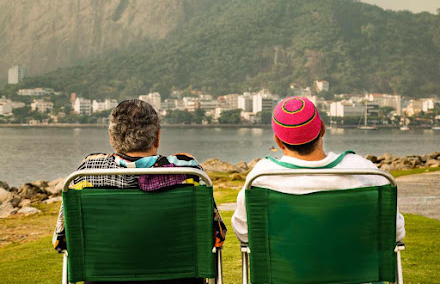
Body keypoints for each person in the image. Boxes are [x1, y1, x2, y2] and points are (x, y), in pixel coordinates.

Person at [53, 99, 226, 284]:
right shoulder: (188, 171)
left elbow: (62, 241)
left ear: (111, 138)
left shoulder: (87, 174)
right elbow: (217, 236)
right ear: (157, 137)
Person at [231, 96, 405, 243]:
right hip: (360, 276)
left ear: (278, 141)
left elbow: (244, 233)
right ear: (322, 129)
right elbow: (395, 231)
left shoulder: (261, 177)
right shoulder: (364, 171)